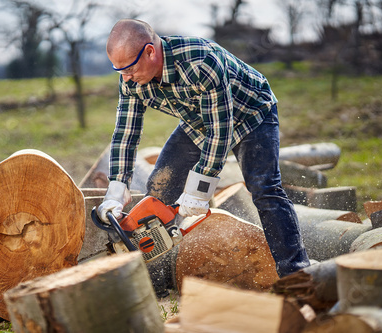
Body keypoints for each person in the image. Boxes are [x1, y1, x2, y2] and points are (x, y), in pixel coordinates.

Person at [98, 18, 310, 277]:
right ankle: (161, 271)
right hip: (198, 120)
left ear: (150, 52)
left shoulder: (201, 62)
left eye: (129, 68)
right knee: (160, 188)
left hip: (252, 114)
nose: (126, 77)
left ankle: (297, 274)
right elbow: (126, 132)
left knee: (265, 190)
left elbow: (220, 131)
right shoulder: (130, 79)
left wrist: (199, 188)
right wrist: (116, 187)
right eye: (119, 70)